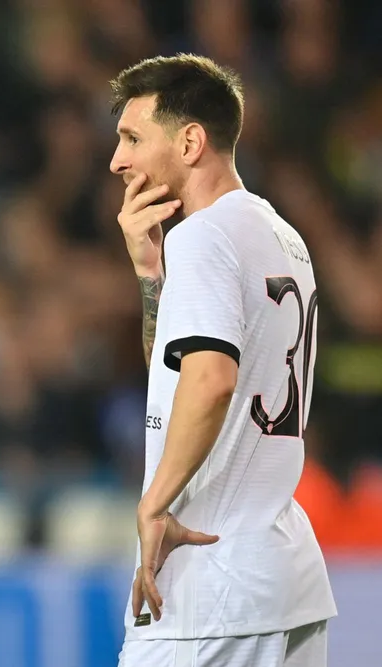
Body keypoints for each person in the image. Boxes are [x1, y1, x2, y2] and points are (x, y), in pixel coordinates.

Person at [109, 54, 337, 666]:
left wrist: (154, 503)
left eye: (133, 137)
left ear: (190, 141)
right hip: (282, 578)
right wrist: (151, 273)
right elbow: (175, 374)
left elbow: (210, 382)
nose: (118, 160)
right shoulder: (280, 235)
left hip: (211, 587)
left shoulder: (205, 236)